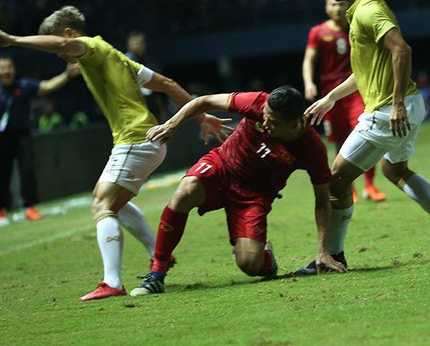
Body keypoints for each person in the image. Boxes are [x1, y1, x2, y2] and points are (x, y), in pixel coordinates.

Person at [0, 5, 230, 300]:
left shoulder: (92, 47)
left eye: (60, 45)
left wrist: (12, 40)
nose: (62, 54)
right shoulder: (118, 57)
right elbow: (168, 84)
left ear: (70, 33)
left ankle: (112, 282)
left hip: (136, 139)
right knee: (117, 203)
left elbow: (63, 45)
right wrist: (200, 116)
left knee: (102, 204)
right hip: (146, 140)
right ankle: (158, 253)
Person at [297, 0, 430, 275]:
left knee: (336, 181)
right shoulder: (358, 9)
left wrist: (397, 103)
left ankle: (334, 256)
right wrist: (331, 97)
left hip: (390, 110)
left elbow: (401, 49)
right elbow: (365, 70)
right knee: (396, 170)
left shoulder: (368, 10)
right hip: (406, 105)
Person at [130, 86, 347, 297]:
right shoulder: (257, 102)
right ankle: (157, 273)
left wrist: (323, 250)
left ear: (294, 124)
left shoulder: (312, 149)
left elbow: (322, 200)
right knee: (186, 191)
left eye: (272, 123)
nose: (264, 122)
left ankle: (266, 260)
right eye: (264, 116)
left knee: (250, 265)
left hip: (253, 197)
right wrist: (171, 125)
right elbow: (203, 101)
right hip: (222, 166)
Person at [302, 0, 386, 202]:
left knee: (366, 132)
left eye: (341, 3)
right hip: (331, 93)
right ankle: (350, 187)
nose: (338, 7)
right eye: (333, 4)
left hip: (356, 89)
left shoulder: (356, 26)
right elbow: (308, 60)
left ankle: (370, 186)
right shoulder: (318, 32)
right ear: (326, 8)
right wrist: (309, 83)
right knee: (340, 141)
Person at [0, 56, 78, 221]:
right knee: (1, 174)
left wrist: (67, 74)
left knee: (27, 170)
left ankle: (30, 207)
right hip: (1, 138)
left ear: (13, 69)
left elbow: (47, 86)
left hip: (22, 135)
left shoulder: (24, 85)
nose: (6, 71)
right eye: (2, 68)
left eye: (8, 67)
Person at [125, 30, 170, 123]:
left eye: (141, 43)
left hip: (150, 106)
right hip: (133, 107)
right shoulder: (124, 62)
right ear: (129, 44)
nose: (138, 45)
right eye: (135, 42)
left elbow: (156, 91)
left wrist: (162, 110)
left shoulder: (149, 63)